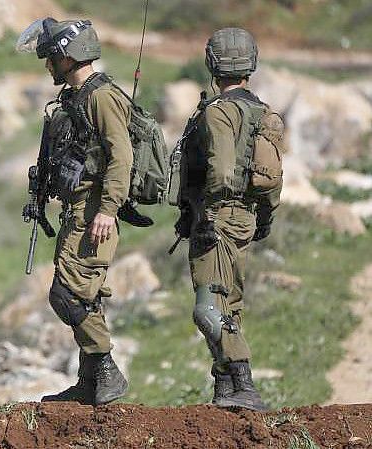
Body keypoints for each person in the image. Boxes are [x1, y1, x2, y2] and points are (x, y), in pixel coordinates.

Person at [15, 18, 133, 405]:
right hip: (77, 211)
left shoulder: (102, 96)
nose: (48, 65)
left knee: (67, 294)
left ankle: (106, 371)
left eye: (52, 58)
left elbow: (122, 156)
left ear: (69, 56)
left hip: (94, 212)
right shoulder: (74, 97)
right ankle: (89, 381)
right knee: (83, 293)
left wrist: (107, 209)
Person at [176, 28, 283, 411]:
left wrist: (208, 211)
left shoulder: (219, 112)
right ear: (249, 66)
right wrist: (262, 218)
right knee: (228, 304)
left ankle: (243, 382)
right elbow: (272, 181)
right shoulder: (263, 113)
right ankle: (225, 388)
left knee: (208, 310)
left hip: (217, 219)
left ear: (212, 65)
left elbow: (221, 173)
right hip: (245, 220)